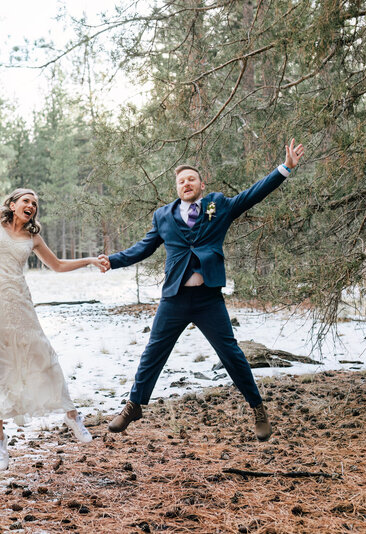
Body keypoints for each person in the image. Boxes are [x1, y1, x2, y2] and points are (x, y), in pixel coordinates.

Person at [99, 139, 305, 441]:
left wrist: (285, 168)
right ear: (177, 188)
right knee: (153, 352)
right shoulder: (163, 216)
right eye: (181, 181)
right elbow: (143, 248)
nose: (186, 183)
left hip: (208, 298)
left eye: (191, 179)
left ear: (201, 184)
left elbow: (252, 195)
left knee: (232, 354)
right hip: (175, 298)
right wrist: (113, 261)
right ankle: (134, 405)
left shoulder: (218, 205)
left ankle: (258, 408)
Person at [0, 135, 104, 470]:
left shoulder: (33, 237)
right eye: (26, 200)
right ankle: (0, 445)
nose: (32, 206)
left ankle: (72, 416)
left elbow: (56, 266)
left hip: (19, 303)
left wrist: (87, 260)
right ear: (12, 204)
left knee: (41, 353)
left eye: (36, 204)